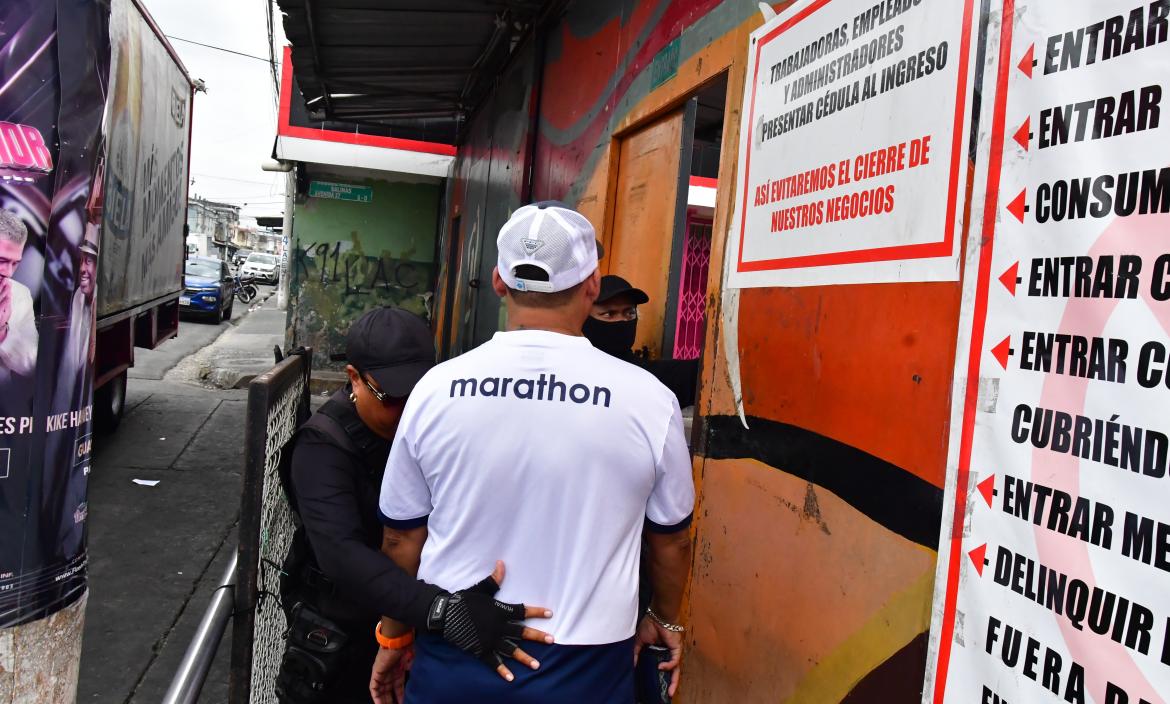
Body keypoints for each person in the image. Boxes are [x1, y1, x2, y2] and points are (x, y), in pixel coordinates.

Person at [375, 202, 695, 703]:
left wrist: (393, 632)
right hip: (587, 666)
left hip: (456, 651)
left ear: (499, 281)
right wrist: (665, 617)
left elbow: (401, 537)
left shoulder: (436, 389)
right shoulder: (650, 399)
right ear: (592, 286)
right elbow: (670, 541)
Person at [277, 307, 552, 704]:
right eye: (393, 397)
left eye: (419, 392)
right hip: (343, 627)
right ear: (353, 378)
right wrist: (441, 610)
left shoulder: (442, 420)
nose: (408, 410)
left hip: (416, 620)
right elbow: (341, 554)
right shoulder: (322, 449)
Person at [583, 274, 699, 409]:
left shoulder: (653, 378)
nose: (622, 320)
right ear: (585, 317)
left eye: (629, 313)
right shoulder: (566, 371)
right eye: (609, 314)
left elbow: (699, 374)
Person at [0, 209, 37, 385]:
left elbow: (30, 364)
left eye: (15, 263)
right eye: (1, 261)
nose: (8, 272)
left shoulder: (20, 295)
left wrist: (2, 332)